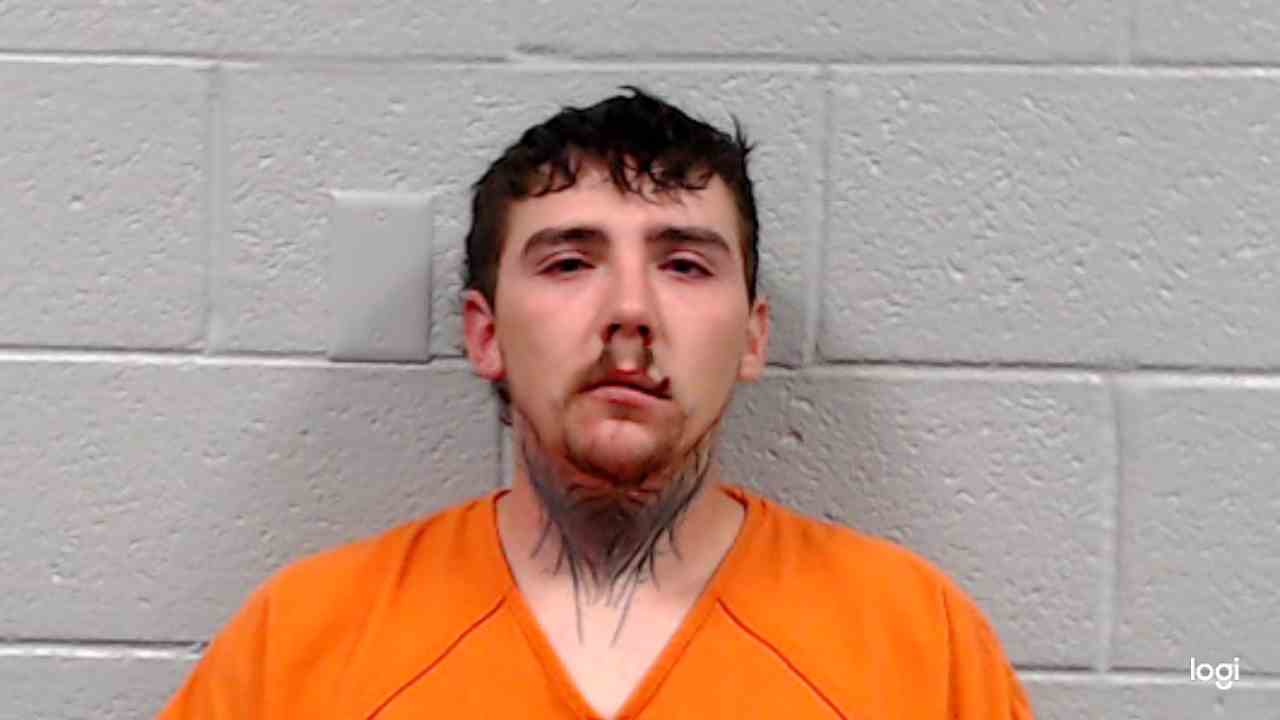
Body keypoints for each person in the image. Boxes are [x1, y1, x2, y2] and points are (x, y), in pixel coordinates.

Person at [159, 85, 1034, 719]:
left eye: (683, 264)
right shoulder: (302, 643)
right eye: (570, 263)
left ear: (752, 337)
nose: (629, 312)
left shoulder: (916, 642)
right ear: (486, 335)